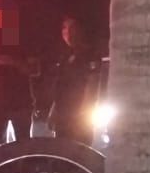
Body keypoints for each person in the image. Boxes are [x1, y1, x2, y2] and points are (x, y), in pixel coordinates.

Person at [37, 16, 106, 145]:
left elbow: (93, 83)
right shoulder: (65, 56)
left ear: (80, 30)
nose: (68, 33)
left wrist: (84, 111)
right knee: (62, 152)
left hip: (80, 113)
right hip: (63, 114)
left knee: (80, 151)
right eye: (64, 29)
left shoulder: (90, 54)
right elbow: (61, 87)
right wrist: (54, 110)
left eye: (72, 29)